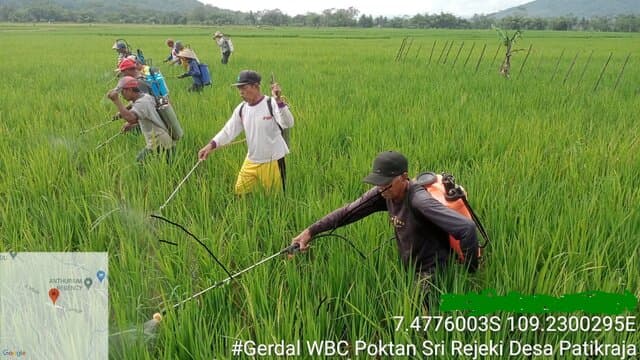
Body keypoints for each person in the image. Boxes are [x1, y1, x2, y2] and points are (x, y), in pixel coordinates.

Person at [291, 151, 479, 298]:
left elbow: (466, 228)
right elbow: (348, 212)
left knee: (416, 318)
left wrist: (470, 271)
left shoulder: (419, 201)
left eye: (386, 184)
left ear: (404, 177)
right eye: (378, 183)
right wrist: (310, 231)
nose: (381, 189)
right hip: (412, 264)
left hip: (433, 270)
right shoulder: (384, 192)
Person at [197, 70, 294, 195]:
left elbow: (288, 123)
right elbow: (228, 131)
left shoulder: (271, 104)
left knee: (275, 199)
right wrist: (210, 145)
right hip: (252, 160)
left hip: (273, 161)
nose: (241, 92)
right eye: (239, 89)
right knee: (239, 192)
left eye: (244, 88)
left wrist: (279, 101)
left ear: (256, 86)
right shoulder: (242, 108)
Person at [107, 76, 175, 163]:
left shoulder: (142, 103)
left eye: (122, 92)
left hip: (158, 141)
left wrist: (116, 101)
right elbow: (140, 114)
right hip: (163, 139)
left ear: (130, 90)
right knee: (166, 164)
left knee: (140, 162)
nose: (122, 95)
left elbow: (130, 118)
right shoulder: (145, 97)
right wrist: (126, 120)